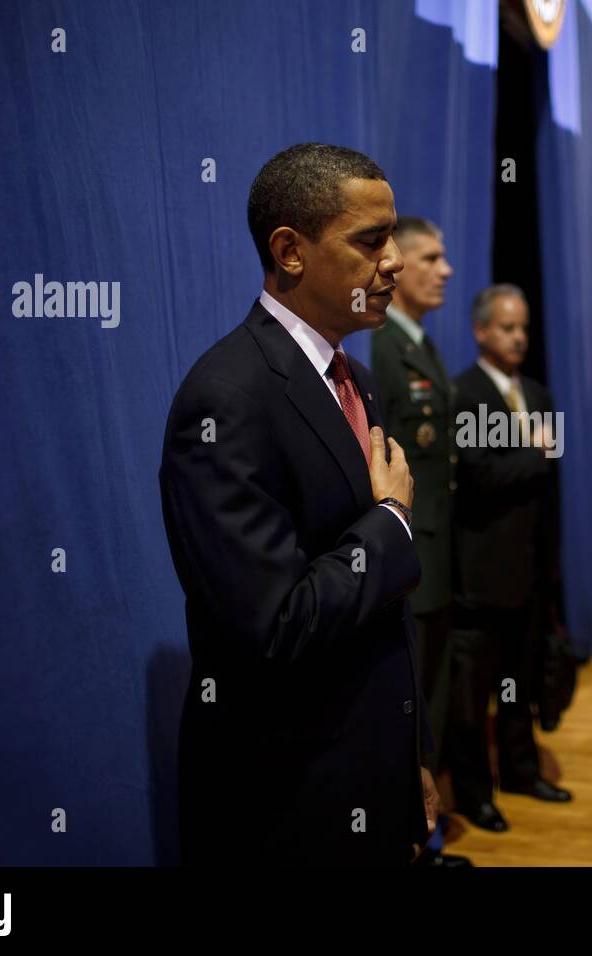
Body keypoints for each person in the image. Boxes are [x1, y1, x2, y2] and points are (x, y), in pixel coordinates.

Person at [159, 143, 437, 866]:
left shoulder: (357, 379)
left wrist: (412, 753)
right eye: (371, 241)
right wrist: (391, 523)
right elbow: (276, 625)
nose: (395, 262)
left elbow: (382, 614)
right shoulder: (226, 399)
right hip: (286, 801)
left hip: (369, 773)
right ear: (290, 251)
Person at [448, 284, 572, 832]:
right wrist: (536, 451)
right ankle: (475, 793)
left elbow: (552, 486)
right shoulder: (466, 393)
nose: (518, 337)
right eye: (506, 328)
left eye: (523, 327)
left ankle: (522, 771)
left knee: (520, 680)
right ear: (480, 331)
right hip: (483, 570)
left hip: (532, 567)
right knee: (475, 693)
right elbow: (479, 475)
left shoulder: (540, 394)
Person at [368, 216, 469, 867]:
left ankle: (419, 835)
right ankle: (408, 843)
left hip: (438, 550)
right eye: (431, 257)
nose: (446, 269)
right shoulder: (382, 352)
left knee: (430, 699)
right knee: (409, 709)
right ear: (400, 266)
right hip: (412, 557)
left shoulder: (422, 346)